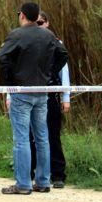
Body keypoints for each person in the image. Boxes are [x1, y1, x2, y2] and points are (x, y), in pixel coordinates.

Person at [0, 2, 68, 195]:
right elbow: (63, 55)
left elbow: (1, 57)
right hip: (42, 92)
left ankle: (23, 184)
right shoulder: (48, 35)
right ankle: (43, 182)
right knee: (42, 137)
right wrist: (49, 73)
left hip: (22, 93)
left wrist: (8, 82)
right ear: (37, 16)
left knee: (21, 140)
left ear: (22, 16)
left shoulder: (17, 34)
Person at [29, 11, 70, 188]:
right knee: (30, 136)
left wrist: (66, 97)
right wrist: (9, 94)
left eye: (41, 23)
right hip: (30, 94)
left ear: (47, 24)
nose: (38, 26)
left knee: (53, 135)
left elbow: (64, 72)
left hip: (51, 94)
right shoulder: (26, 40)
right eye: (35, 23)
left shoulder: (56, 43)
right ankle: (29, 172)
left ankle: (58, 175)